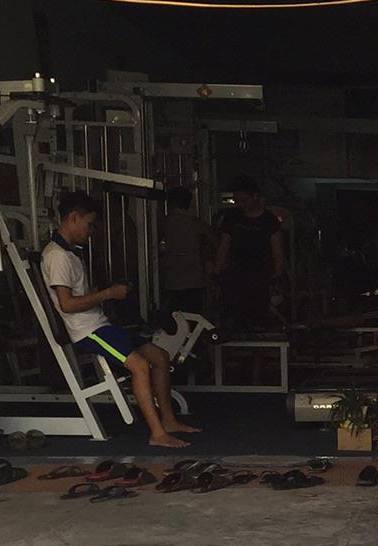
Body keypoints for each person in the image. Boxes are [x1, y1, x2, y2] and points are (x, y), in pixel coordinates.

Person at [41, 190, 197, 450]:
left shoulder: (70, 253)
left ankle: (169, 420)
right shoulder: (57, 256)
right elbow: (66, 305)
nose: (91, 231)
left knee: (159, 356)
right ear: (73, 218)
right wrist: (108, 294)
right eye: (89, 224)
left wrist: (109, 292)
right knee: (140, 366)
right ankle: (157, 433)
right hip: (87, 331)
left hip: (100, 323)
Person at [214, 176, 286, 331]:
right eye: (237, 201)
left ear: (255, 197)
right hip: (235, 275)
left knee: (258, 317)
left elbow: (277, 251)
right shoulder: (232, 219)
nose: (241, 205)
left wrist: (277, 276)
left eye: (244, 200)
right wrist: (217, 273)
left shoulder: (268, 220)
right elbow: (224, 247)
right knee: (235, 317)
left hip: (261, 277)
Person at [159, 185, 209, 319]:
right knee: (195, 318)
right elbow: (215, 241)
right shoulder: (196, 223)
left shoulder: (164, 223)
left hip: (173, 280)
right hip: (195, 280)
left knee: (174, 318)